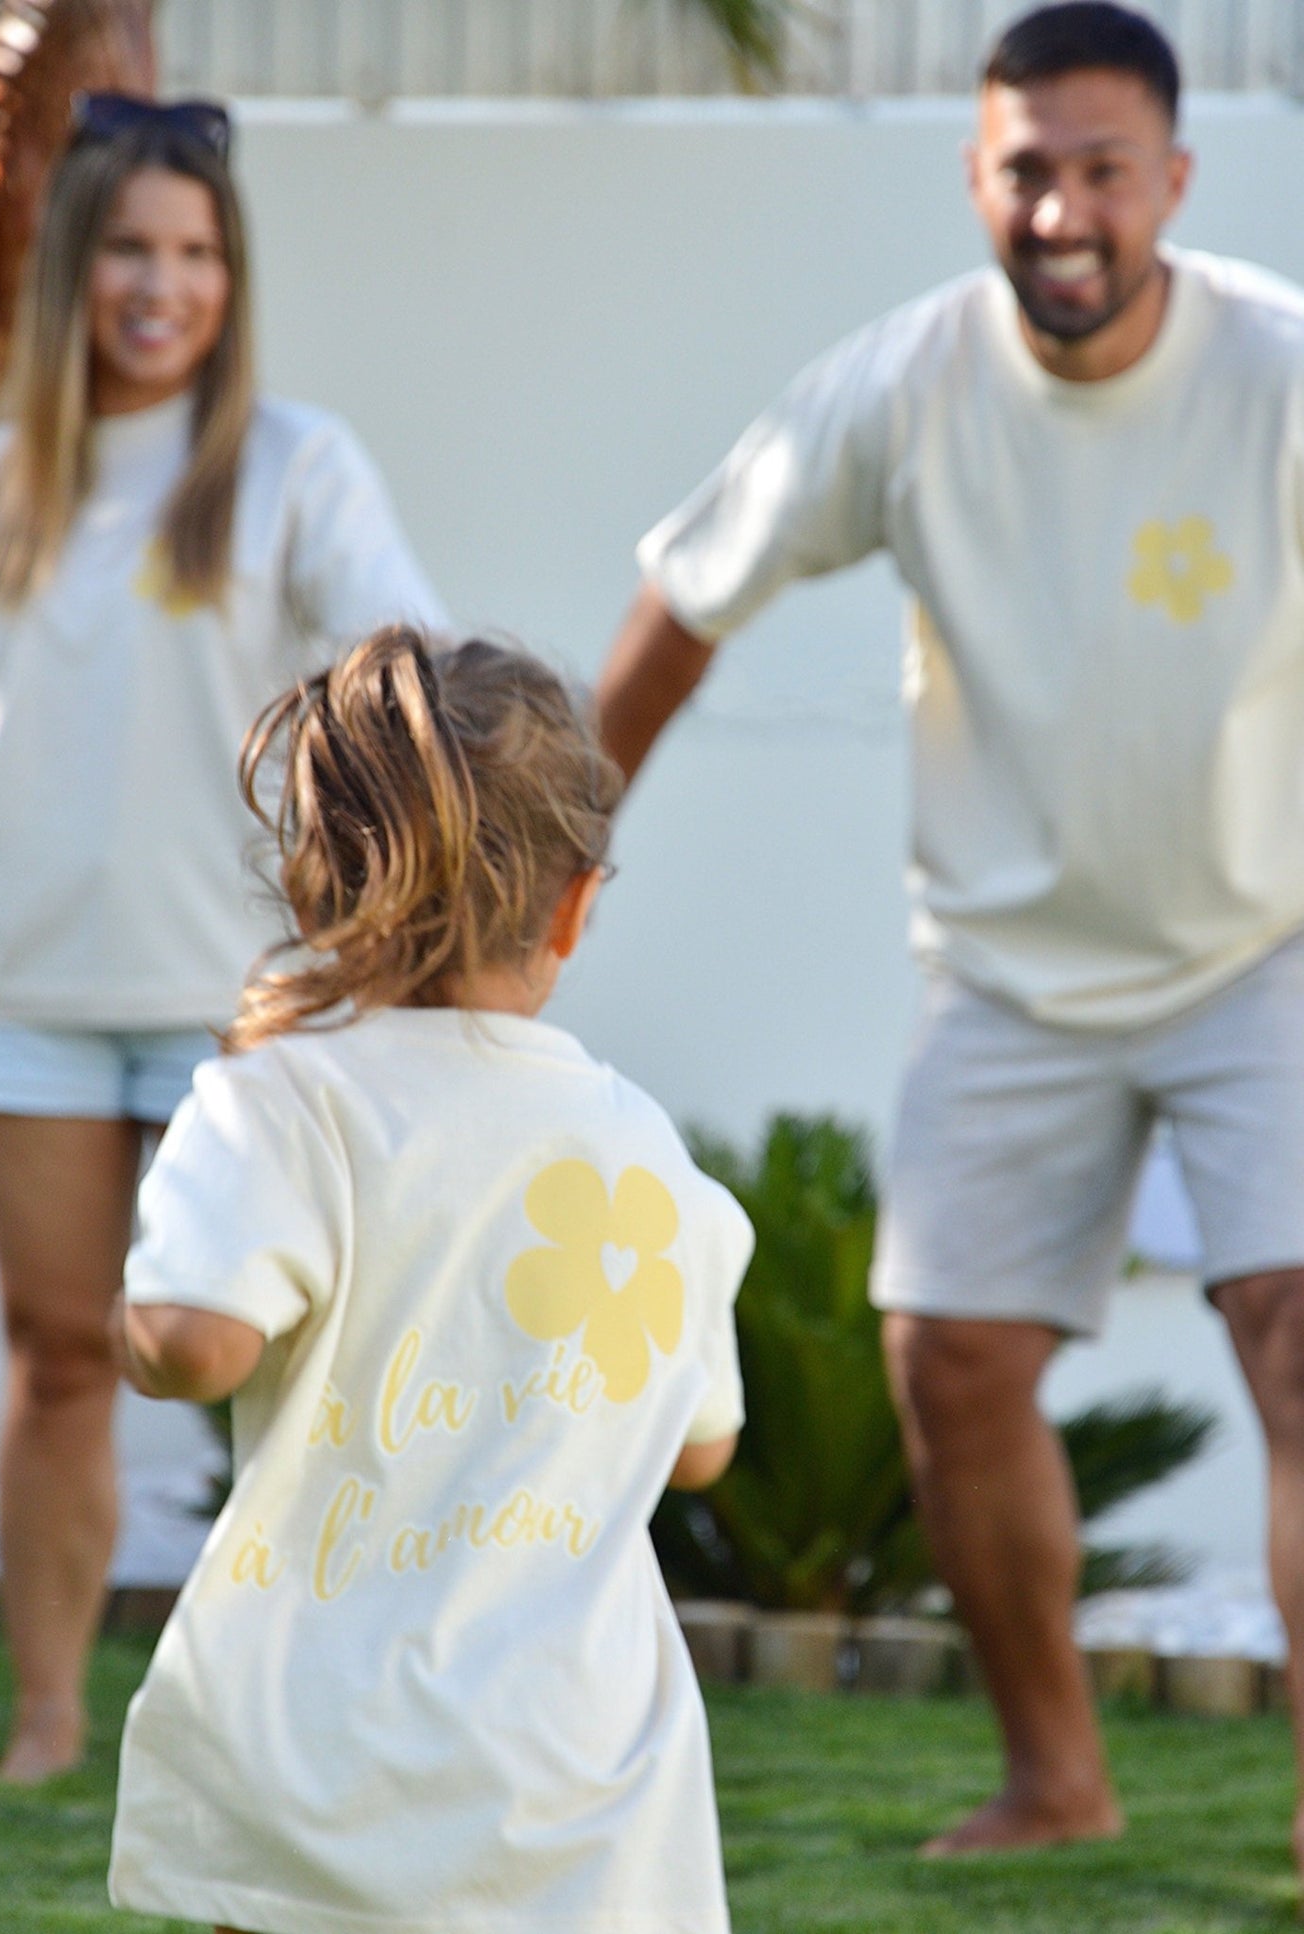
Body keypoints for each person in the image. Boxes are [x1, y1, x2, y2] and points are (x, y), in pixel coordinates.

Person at [595, 0, 1304, 1873]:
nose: (1063, 212)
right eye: (1025, 172)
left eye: (1101, 171)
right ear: (974, 177)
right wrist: (544, 867)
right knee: (950, 1364)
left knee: (1293, 1333)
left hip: (1274, 944)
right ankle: (1058, 1779)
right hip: (1008, 970)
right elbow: (683, 605)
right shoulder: (896, 387)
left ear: (1174, 179)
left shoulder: (1284, 368)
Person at [0, 94, 446, 1784]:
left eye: (196, 254)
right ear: (71, 268)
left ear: (231, 277)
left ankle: (305, 1721)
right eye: (129, 247)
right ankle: (50, 1719)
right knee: (62, 1357)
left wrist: (414, 921)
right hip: (22, 1006)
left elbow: (399, 691)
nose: (160, 285)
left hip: (247, 1014)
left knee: (274, 1369)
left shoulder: (296, 469)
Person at [106, 626, 753, 1934]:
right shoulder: (647, 1157)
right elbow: (703, 1449)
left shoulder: (283, 1104)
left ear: (315, 886)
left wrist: (141, 1326)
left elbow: (195, 1340)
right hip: (579, 1777)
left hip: (317, 1761)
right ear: (577, 901)